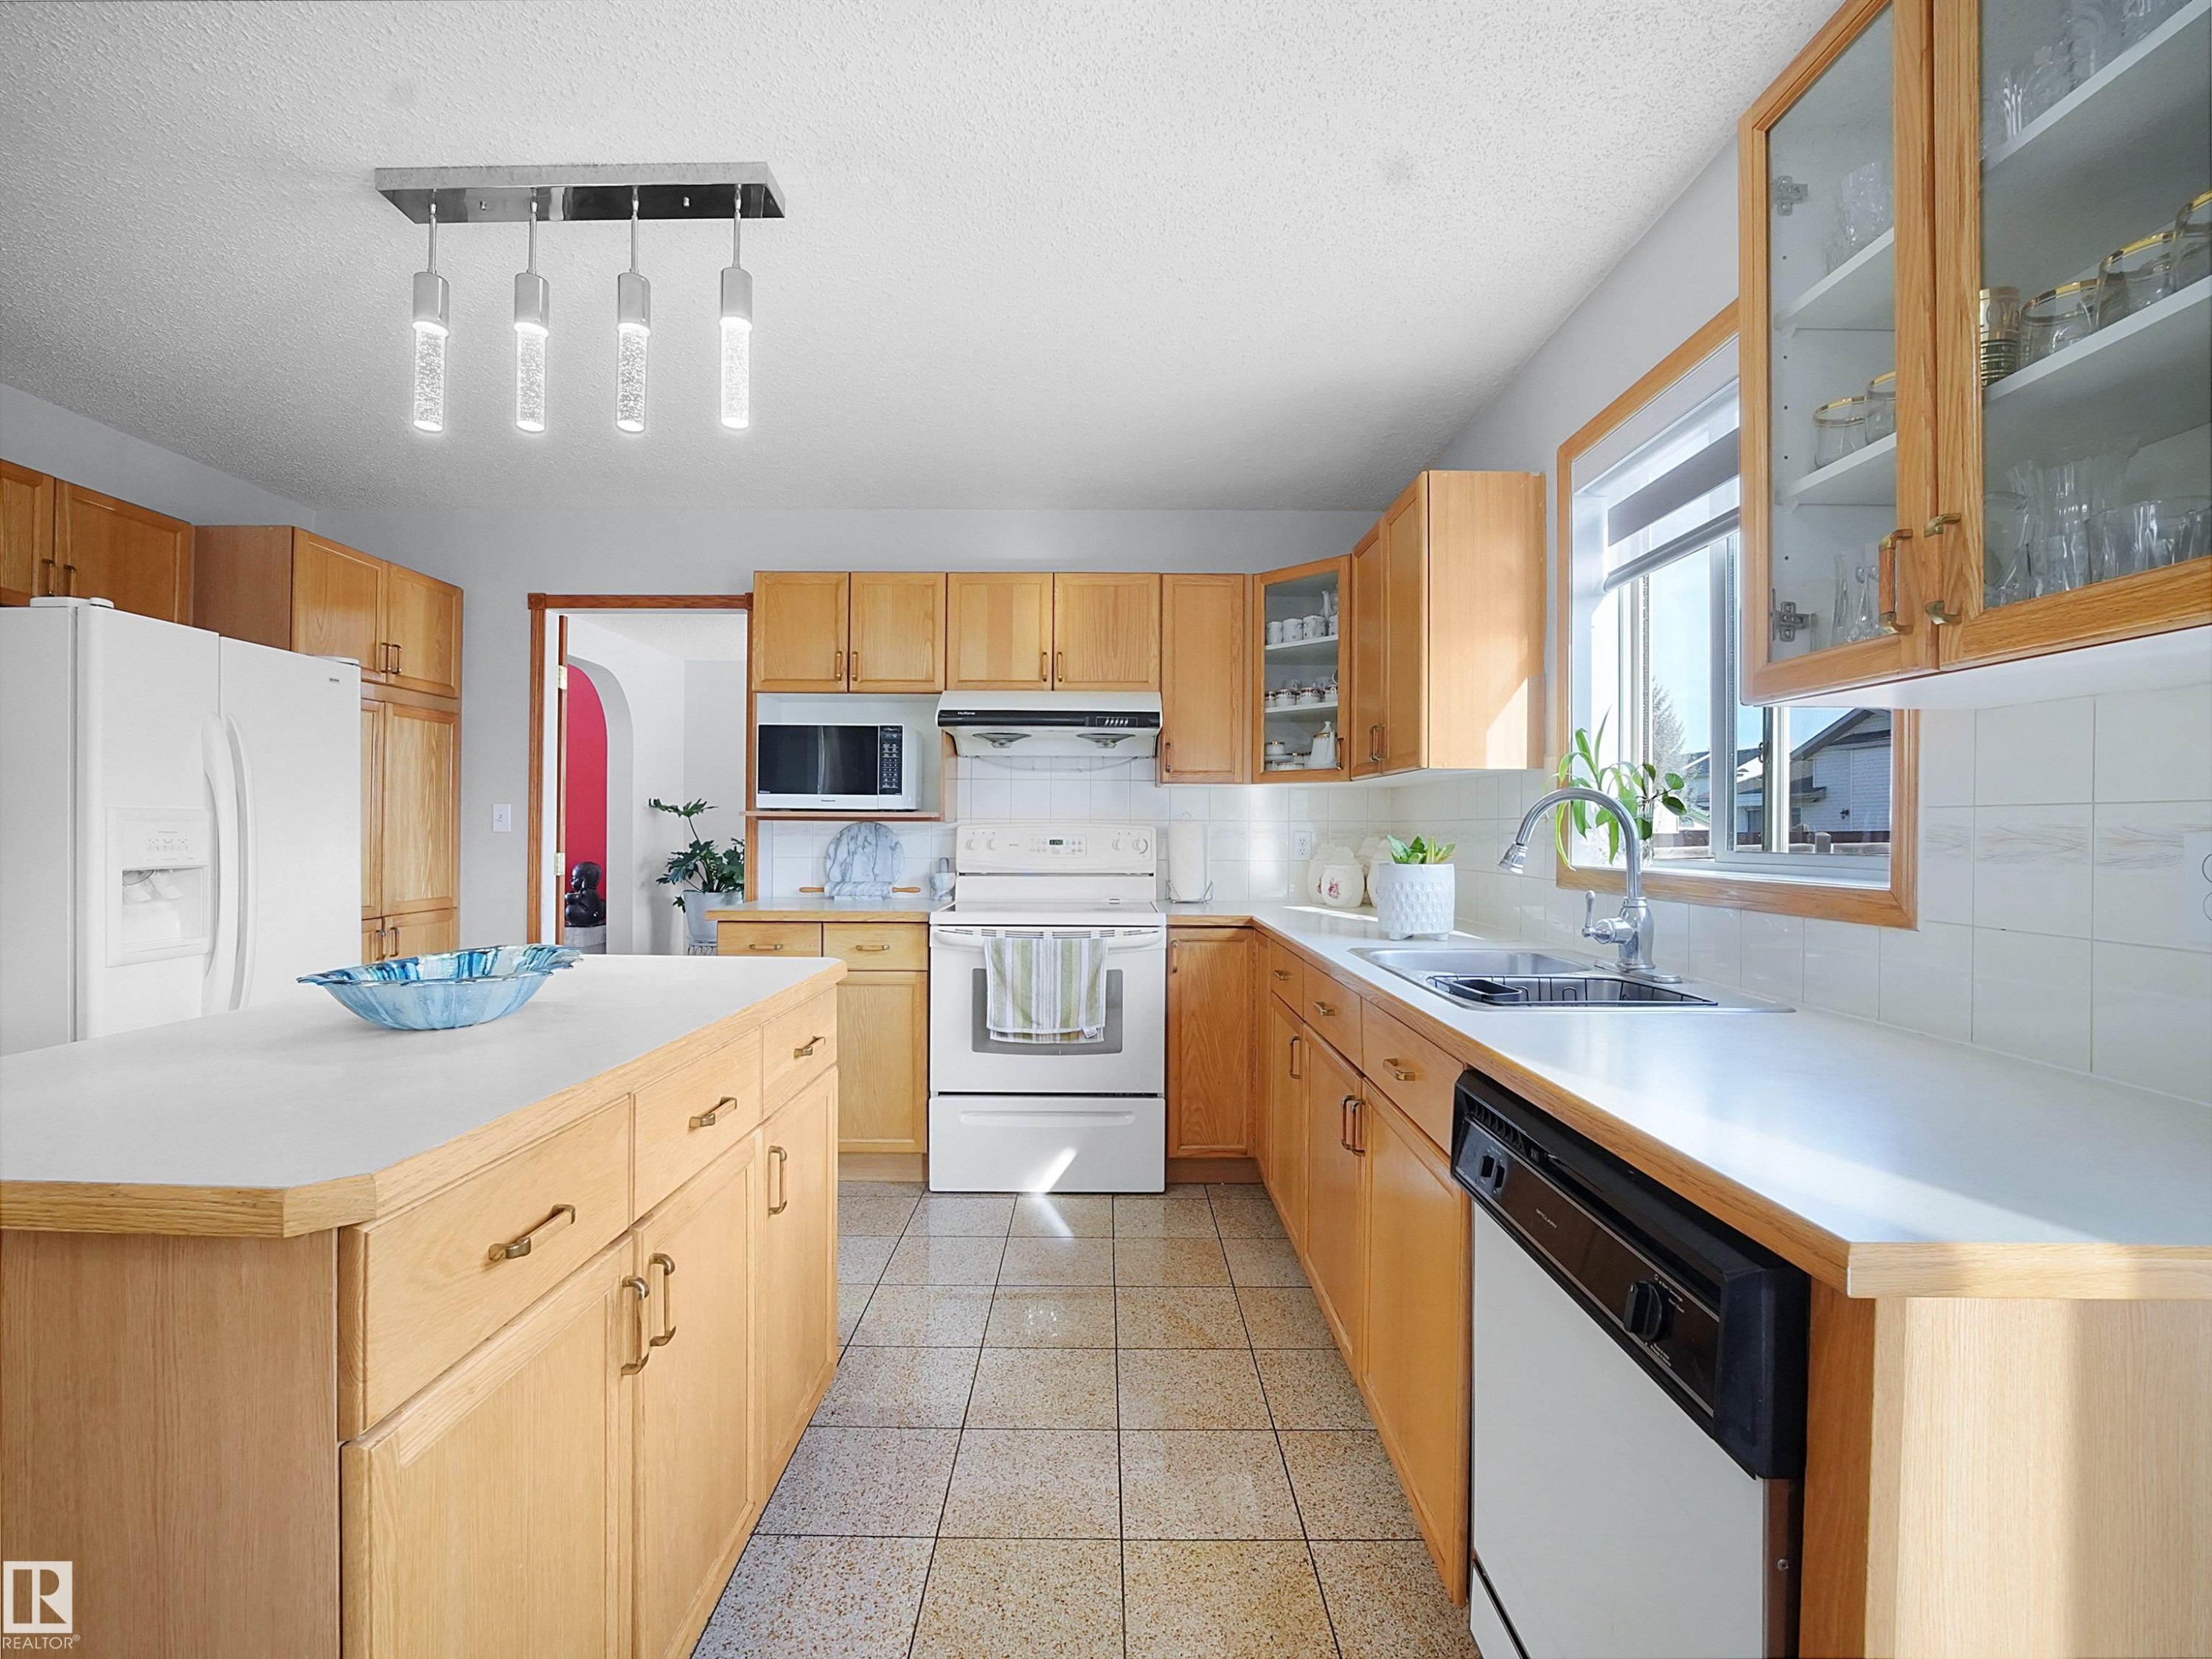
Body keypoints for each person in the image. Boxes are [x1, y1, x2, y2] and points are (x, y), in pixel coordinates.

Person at [563, 860, 607, 929]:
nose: (571, 880)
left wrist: (570, 898)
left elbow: (576, 899)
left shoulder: (587, 893)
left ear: (584, 880)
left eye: (574, 878)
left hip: (586, 915)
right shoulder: (591, 893)